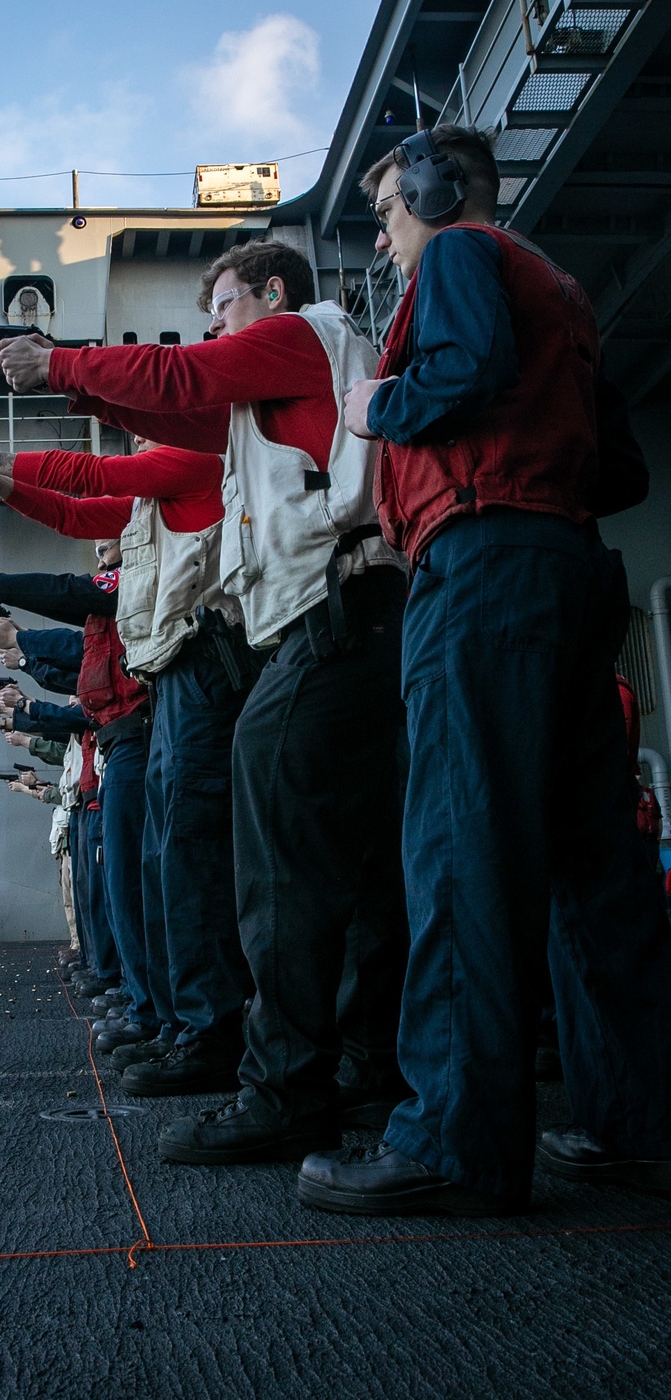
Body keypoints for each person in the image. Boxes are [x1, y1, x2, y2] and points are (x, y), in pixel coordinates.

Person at [296, 124, 671, 1216]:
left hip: (480, 577)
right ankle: (639, 1122)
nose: (383, 233)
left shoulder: (461, 255)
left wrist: (380, 411)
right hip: (562, 568)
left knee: (460, 851)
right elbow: (623, 468)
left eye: (387, 210)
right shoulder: (560, 287)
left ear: (434, 188)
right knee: (593, 866)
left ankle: (454, 1141)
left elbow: (457, 374)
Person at [0, 240, 410, 1165]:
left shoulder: (296, 335)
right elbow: (169, 424)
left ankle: (285, 1089)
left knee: (278, 869)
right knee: (353, 863)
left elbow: (179, 385)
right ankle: (364, 1071)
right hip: (349, 617)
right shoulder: (270, 400)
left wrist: (59, 363)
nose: (215, 323)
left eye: (222, 304)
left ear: (269, 292)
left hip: (328, 617)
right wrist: (77, 396)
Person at [0, 431, 257, 1091]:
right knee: (159, 880)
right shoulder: (148, 509)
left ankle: (194, 1027)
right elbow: (74, 514)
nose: (109, 556)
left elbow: (87, 536)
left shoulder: (184, 464)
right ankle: (174, 1021)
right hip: (152, 719)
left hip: (176, 700)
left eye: (143, 425)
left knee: (174, 876)